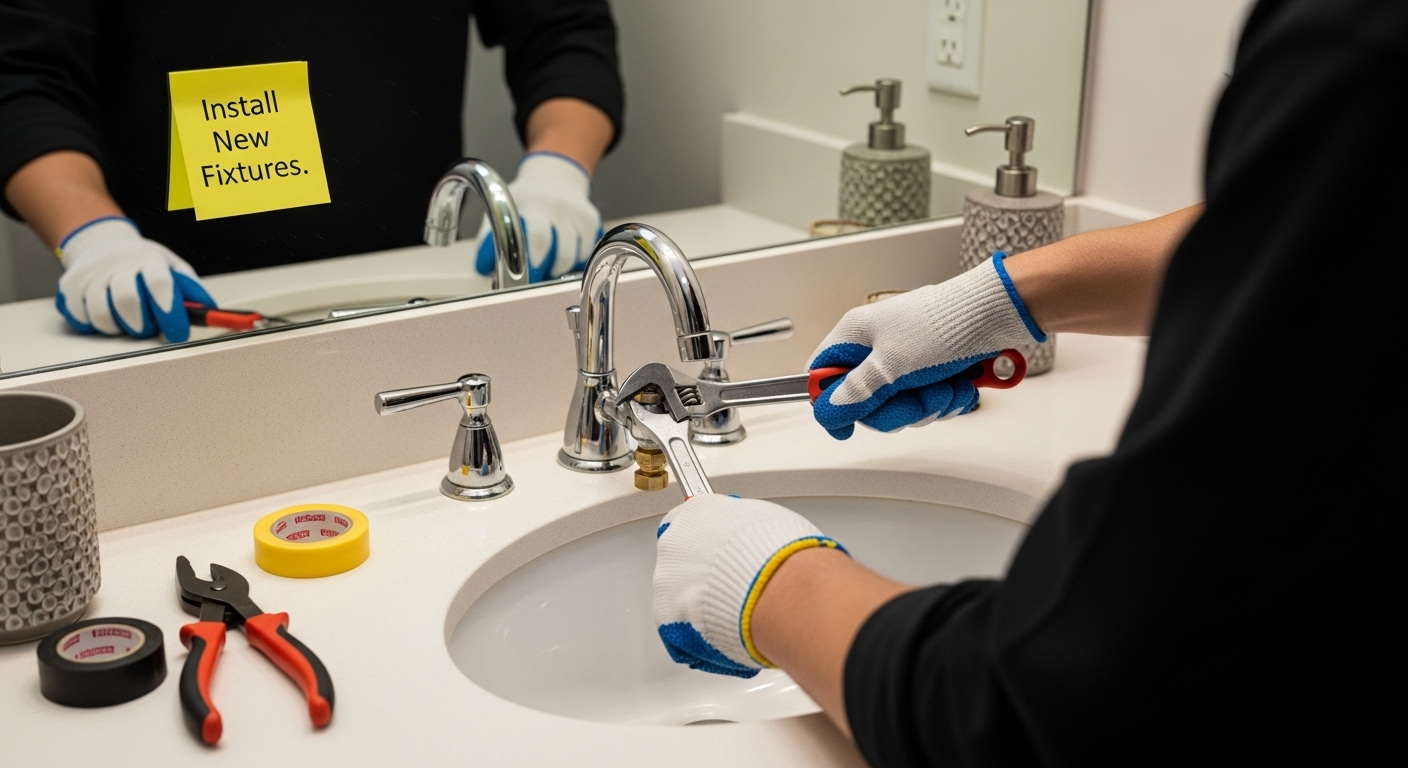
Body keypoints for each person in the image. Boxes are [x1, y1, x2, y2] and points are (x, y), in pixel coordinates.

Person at [652, 0, 1401, 764]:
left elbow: (1050, 705)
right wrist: (992, 300)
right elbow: (1302, 236)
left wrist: (767, 583)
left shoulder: (1356, 40)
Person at [0, 1, 622, 342]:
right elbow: (23, 79)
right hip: (182, 316)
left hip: (420, 299)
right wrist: (94, 239)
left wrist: (557, 176)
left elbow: (565, 29)